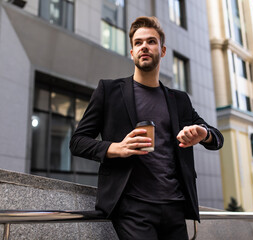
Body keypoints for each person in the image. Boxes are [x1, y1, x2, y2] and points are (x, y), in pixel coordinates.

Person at [70, 16, 224, 240]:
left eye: (151, 41)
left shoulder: (179, 100)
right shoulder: (109, 91)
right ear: (132, 52)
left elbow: (217, 139)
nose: (144, 46)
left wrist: (204, 134)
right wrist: (116, 148)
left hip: (175, 206)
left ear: (162, 51)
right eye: (138, 42)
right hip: (132, 208)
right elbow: (77, 142)